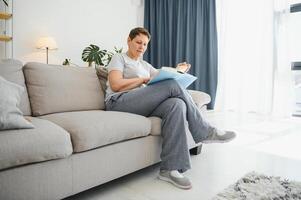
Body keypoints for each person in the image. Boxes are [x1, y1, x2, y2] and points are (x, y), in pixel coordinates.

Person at [105, 27, 236, 190]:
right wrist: (142, 80)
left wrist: (178, 71)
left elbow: (162, 76)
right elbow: (116, 84)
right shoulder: (119, 58)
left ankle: (170, 169)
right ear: (129, 40)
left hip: (139, 103)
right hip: (119, 102)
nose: (141, 47)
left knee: (177, 104)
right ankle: (205, 130)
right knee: (172, 86)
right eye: (138, 42)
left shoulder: (145, 64)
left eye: (145, 44)